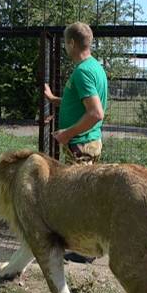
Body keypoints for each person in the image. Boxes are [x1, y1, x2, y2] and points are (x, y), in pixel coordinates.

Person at [43, 21, 108, 263]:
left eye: (65, 43)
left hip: (79, 144)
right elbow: (78, 102)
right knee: (85, 196)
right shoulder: (94, 67)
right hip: (86, 142)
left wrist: (67, 134)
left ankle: (85, 251)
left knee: (80, 199)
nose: (65, 49)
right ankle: (86, 248)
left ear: (72, 43)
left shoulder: (82, 72)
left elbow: (95, 113)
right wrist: (54, 99)